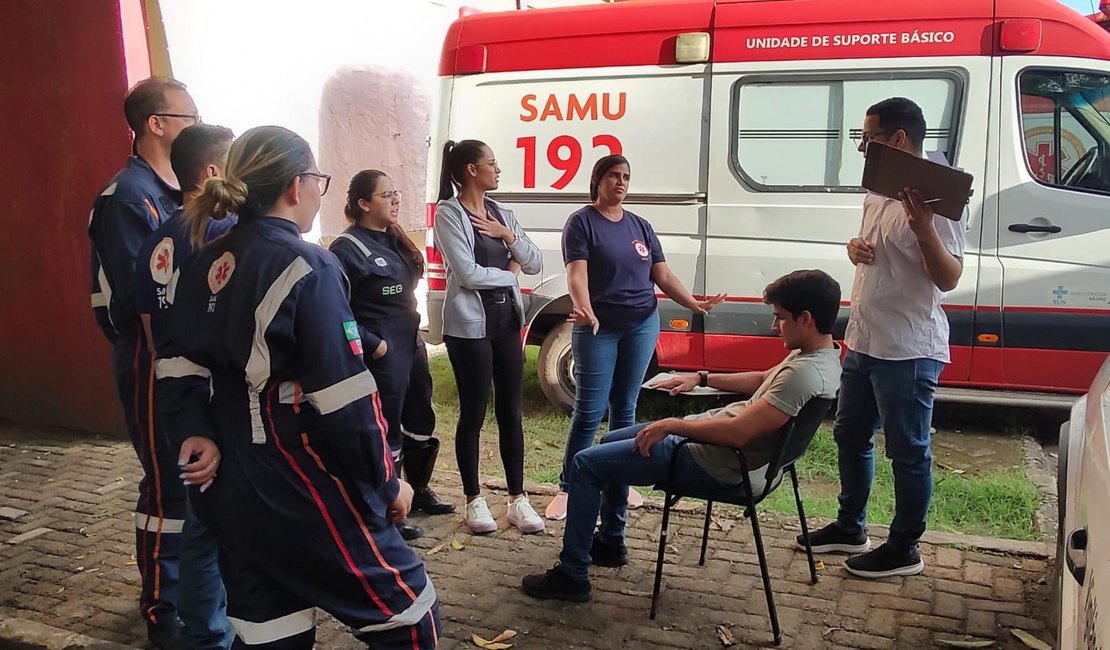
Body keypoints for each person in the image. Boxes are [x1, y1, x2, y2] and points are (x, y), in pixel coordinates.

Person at [157, 126, 439, 648]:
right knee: (410, 616)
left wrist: (194, 427)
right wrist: (386, 484)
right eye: (317, 180)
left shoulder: (204, 259)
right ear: (294, 185)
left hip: (227, 488)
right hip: (296, 480)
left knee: (269, 632)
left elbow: (175, 362)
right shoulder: (308, 265)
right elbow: (345, 401)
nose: (317, 191)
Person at [521, 270, 842, 601]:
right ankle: (610, 542)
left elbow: (736, 433)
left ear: (805, 319)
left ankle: (572, 575)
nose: (775, 327)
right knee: (607, 443)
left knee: (584, 464)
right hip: (718, 452)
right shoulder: (817, 357)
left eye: (780, 318)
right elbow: (762, 378)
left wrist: (671, 425)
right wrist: (700, 378)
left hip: (714, 461)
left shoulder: (804, 375)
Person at [797, 97, 968, 579]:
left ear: (897, 139)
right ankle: (851, 525)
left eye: (868, 139)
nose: (863, 149)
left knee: (909, 450)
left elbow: (949, 277)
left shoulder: (940, 194)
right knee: (850, 435)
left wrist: (925, 230)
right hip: (865, 337)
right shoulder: (878, 188)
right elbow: (873, 249)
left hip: (908, 347)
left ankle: (904, 547)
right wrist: (855, 248)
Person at [544, 155, 725, 521]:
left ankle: (621, 484)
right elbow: (576, 274)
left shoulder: (640, 226)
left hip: (642, 324)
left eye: (626, 176)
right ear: (598, 180)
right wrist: (586, 308)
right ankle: (569, 487)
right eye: (613, 175)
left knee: (626, 405)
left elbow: (662, 274)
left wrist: (693, 302)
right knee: (589, 414)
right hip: (598, 329)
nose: (621, 182)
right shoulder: (582, 222)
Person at [87, 75, 199, 648]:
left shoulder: (178, 192)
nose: (198, 127)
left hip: (184, 359)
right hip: (151, 359)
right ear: (157, 124)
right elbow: (148, 300)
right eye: (190, 117)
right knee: (166, 486)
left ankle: (194, 591)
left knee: (190, 480)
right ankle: (163, 607)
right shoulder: (129, 197)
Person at [135, 123, 236, 650]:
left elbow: (152, 331)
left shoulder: (161, 234)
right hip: (218, 398)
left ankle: (205, 633)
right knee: (219, 525)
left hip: (177, 393)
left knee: (198, 520)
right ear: (214, 173)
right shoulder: (226, 231)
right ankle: (220, 631)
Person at [330, 170, 456, 542]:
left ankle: (417, 490)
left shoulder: (395, 239)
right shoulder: (346, 248)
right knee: (386, 427)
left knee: (420, 416)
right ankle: (389, 507)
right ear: (364, 204)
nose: (395, 200)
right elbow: (337, 310)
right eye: (387, 195)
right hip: (382, 351)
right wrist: (374, 343)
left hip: (410, 343)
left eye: (396, 193)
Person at [433, 139, 545, 535]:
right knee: (474, 412)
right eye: (492, 164)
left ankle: (518, 498)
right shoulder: (449, 214)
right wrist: (509, 274)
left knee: (511, 413)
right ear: (470, 170)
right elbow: (467, 274)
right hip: (468, 328)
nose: (498, 170)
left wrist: (508, 237)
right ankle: (474, 498)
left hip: (506, 323)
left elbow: (536, 261)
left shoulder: (501, 214)